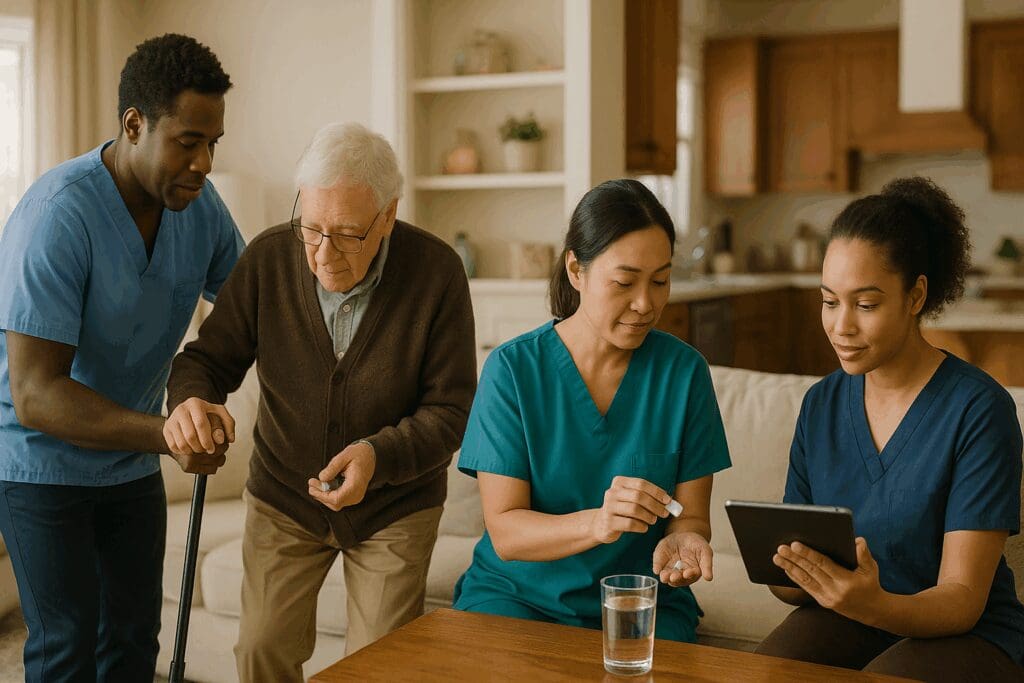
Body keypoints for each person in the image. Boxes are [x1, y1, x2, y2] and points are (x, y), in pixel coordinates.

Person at [164, 122, 477, 681]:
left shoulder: (437, 273)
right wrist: (191, 401)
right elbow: (205, 361)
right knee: (261, 650)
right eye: (311, 228)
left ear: (388, 215)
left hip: (394, 506)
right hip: (285, 496)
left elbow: (450, 411)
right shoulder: (267, 259)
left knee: (379, 666)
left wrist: (376, 457)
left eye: (348, 233)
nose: (323, 254)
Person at [0, 34, 242, 681]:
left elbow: (252, 306)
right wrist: (167, 431)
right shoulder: (58, 215)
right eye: (187, 142)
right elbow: (36, 392)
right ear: (134, 124)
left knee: (134, 643)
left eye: (212, 144)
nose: (203, 163)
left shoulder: (200, 209)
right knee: (65, 647)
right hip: (41, 466)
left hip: (130, 465)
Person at [756, 177, 1024, 681]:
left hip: (969, 635)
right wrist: (792, 570)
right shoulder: (821, 404)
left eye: (866, 304)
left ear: (916, 294)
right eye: (829, 301)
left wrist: (872, 604)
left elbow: (963, 600)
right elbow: (790, 585)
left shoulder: (979, 409)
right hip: (854, 617)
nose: (841, 326)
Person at [452, 178, 731, 642]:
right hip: (516, 596)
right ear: (576, 271)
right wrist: (598, 523)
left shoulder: (684, 374)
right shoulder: (513, 371)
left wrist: (686, 542)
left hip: (639, 600)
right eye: (624, 282)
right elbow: (506, 532)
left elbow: (691, 517)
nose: (646, 304)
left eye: (660, 281)